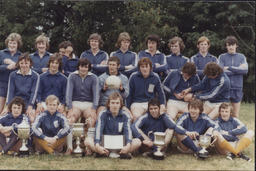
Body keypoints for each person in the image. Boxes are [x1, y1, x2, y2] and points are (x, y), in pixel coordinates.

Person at [175, 99, 239, 159]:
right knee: (178, 132)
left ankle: (201, 150)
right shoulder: (185, 116)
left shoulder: (204, 117)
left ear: (200, 110)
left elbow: (216, 126)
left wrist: (215, 132)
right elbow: (176, 126)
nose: (192, 111)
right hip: (185, 146)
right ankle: (197, 151)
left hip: (199, 143)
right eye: (191, 108)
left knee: (211, 129)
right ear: (189, 109)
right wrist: (187, 132)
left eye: (195, 109)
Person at [85, 92, 137, 159]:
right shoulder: (102, 114)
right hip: (105, 144)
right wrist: (97, 145)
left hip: (120, 145)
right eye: (112, 103)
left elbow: (128, 131)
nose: (115, 105)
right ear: (109, 104)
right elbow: (98, 130)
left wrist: (128, 145)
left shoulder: (125, 115)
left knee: (137, 142)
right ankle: (102, 152)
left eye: (117, 103)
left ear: (120, 104)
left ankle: (122, 152)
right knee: (88, 141)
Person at [65, 58, 99, 154]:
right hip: (75, 103)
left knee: (91, 120)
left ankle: (88, 146)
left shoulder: (94, 77)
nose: (83, 69)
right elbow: (69, 93)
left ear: (88, 68)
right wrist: (70, 107)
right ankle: (70, 147)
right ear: (78, 67)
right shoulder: (72, 76)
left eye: (85, 67)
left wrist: (94, 109)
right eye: (81, 66)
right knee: (70, 119)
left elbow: (96, 94)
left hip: (89, 104)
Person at [126, 57, 166, 121]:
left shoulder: (155, 77)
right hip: (137, 103)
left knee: (160, 116)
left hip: (151, 103)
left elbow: (161, 93)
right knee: (136, 117)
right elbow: (129, 94)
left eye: (146, 66)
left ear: (150, 67)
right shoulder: (133, 77)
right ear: (139, 68)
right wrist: (127, 108)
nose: (145, 69)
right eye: (142, 67)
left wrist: (162, 104)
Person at [218, 36, 248, 118]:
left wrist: (229, 68)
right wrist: (238, 69)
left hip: (237, 88)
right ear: (226, 46)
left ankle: (235, 130)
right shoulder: (222, 57)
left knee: (235, 115)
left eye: (233, 45)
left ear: (236, 45)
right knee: (222, 114)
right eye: (229, 45)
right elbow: (220, 71)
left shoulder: (242, 57)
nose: (231, 47)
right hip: (225, 88)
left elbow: (245, 70)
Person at [5, 53, 40, 122]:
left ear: (30, 64)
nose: (24, 65)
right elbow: (10, 91)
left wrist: (30, 106)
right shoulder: (13, 75)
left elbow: (34, 92)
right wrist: (8, 106)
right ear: (18, 64)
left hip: (28, 102)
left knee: (31, 119)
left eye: (26, 63)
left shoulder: (35, 76)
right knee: (5, 117)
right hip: (15, 102)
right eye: (21, 63)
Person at [0, 33, 23, 114]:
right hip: (2, 85)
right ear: (7, 43)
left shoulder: (21, 56)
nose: (12, 45)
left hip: (16, 87)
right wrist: (6, 67)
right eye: (10, 42)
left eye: (14, 43)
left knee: (11, 111)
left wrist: (14, 64)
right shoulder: (1, 53)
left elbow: (25, 68)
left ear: (18, 44)